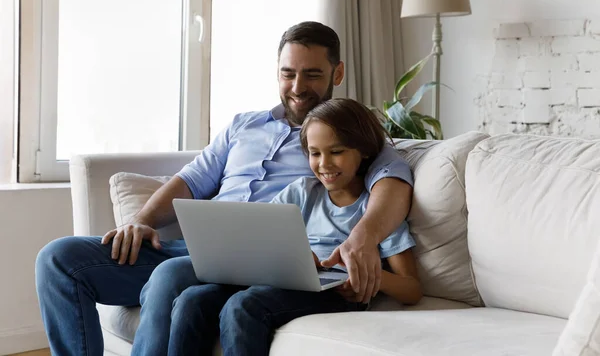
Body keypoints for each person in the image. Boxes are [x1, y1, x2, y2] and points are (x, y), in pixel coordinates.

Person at [35, 21, 413, 355]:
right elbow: (192, 180)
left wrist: (362, 238)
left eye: (312, 74)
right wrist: (142, 220)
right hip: (194, 251)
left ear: (338, 72)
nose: (298, 87)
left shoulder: (346, 137)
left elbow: (391, 184)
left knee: (169, 279)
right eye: (288, 73)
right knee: (58, 259)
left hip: (256, 263)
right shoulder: (243, 126)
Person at [163, 98, 422, 355]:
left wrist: (365, 276)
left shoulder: (378, 212)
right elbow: (259, 233)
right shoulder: (301, 191)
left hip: (335, 294)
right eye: (315, 153)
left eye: (337, 151)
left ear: (363, 150)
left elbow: (412, 289)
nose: (324, 164)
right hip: (284, 280)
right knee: (191, 301)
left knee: (243, 306)